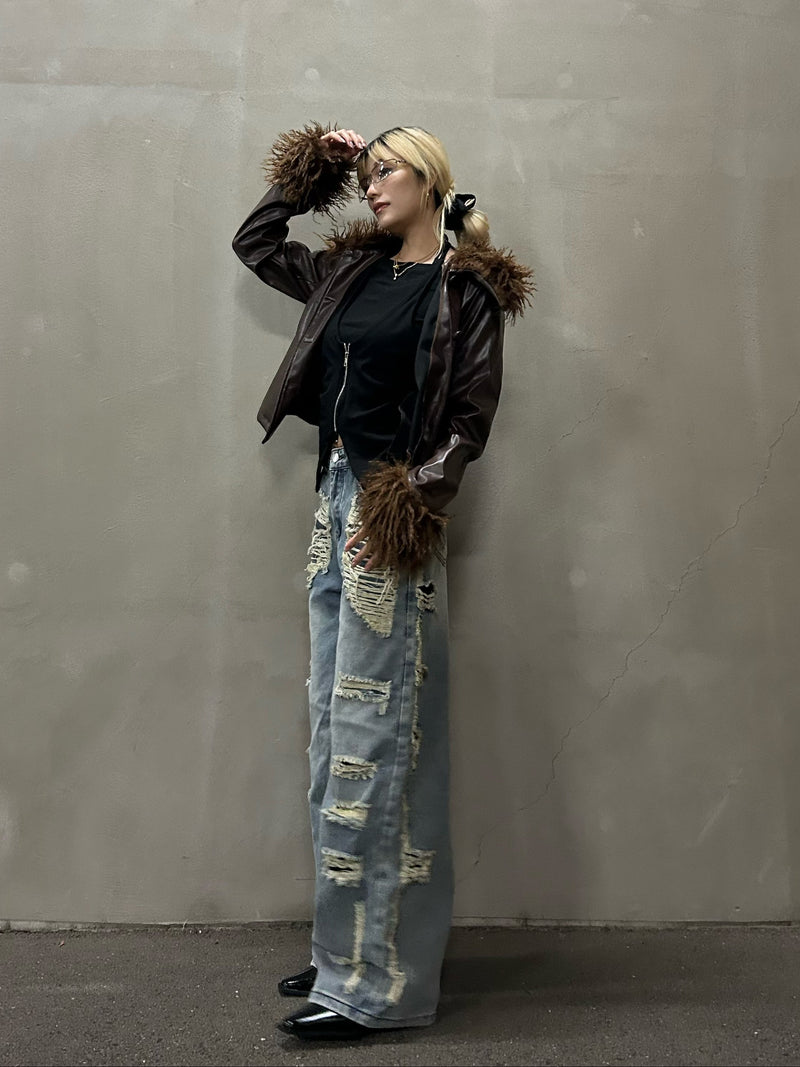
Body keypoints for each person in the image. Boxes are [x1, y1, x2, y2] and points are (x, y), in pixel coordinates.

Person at [232, 121, 534, 1040]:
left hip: (389, 516)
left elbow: (469, 420)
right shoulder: (349, 273)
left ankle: (379, 985)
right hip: (334, 505)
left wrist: (407, 503)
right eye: (364, 172)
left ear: (430, 179)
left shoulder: (464, 286)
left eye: (385, 169)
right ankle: (341, 948)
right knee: (334, 736)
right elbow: (255, 244)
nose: (372, 184)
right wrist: (315, 166)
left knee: (383, 735)